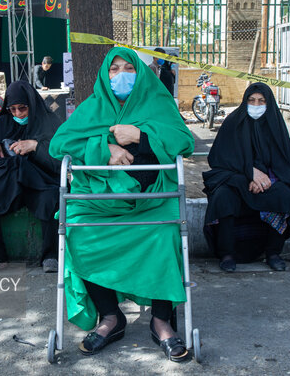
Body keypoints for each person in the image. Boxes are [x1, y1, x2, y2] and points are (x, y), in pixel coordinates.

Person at [49, 47, 195, 362]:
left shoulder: (158, 103)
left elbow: (185, 142)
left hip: (153, 200)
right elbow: (58, 144)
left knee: (165, 233)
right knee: (77, 229)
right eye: (113, 69)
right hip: (101, 200)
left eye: (128, 68)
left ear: (140, 73)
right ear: (105, 74)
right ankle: (111, 317)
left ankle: (161, 321)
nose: (120, 75)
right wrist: (107, 145)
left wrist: (140, 136)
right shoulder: (93, 107)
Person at [203, 83, 290, 272]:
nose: (256, 105)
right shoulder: (233, 123)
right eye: (251, 100)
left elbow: (284, 164)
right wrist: (250, 173)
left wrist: (267, 179)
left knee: (284, 196)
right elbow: (219, 159)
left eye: (261, 101)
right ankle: (227, 254)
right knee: (223, 197)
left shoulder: (276, 126)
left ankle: (273, 253)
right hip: (236, 180)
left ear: (268, 103)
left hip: (268, 182)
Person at [0, 81, 61, 273]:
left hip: (40, 181)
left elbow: (59, 157)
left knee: (52, 200)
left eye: (22, 108)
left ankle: (51, 255)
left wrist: (35, 146)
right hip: (9, 182)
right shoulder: (4, 122)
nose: (18, 114)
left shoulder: (50, 121)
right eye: (12, 109)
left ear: (32, 104)